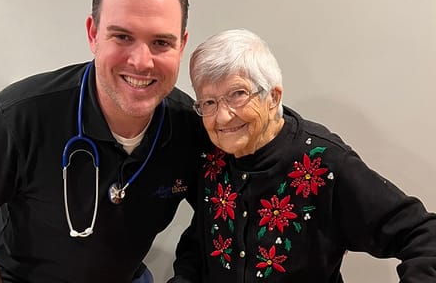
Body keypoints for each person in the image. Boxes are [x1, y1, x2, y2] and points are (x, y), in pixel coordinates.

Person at [0, 0, 210, 282]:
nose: (141, 61)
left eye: (161, 42)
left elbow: (226, 215)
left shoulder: (192, 128)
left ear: (182, 45)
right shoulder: (18, 118)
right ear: (93, 34)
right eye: (122, 37)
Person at [169, 28, 436, 282]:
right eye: (209, 102)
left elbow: (425, 237)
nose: (223, 116)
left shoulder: (323, 162)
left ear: (273, 97)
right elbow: (200, 244)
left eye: (238, 94)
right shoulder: (212, 158)